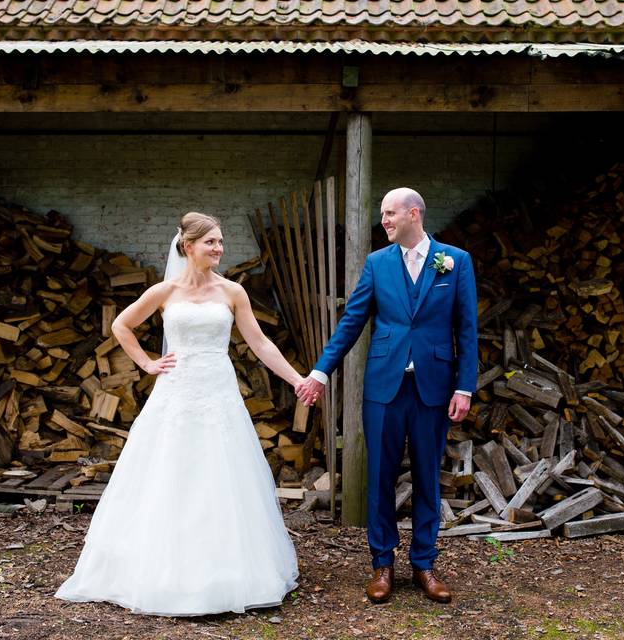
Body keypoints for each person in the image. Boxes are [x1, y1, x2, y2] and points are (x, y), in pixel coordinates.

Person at [56, 212, 301, 616]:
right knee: (169, 471)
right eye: (211, 243)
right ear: (187, 246)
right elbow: (122, 325)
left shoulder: (232, 292)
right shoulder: (164, 290)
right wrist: (148, 363)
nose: (219, 249)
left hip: (218, 392)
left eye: (221, 242)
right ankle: (160, 571)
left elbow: (260, 343)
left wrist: (296, 379)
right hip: (177, 390)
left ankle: (227, 572)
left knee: (222, 475)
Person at [297, 188, 478, 604]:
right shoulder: (378, 264)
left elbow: (466, 329)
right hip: (383, 387)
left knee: (428, 476)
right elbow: (351, 321)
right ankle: (382, 564)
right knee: (379, 475)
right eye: (382, 214)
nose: (384, 221)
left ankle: (425, 565)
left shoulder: (456, 261)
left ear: (414, 214)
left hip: (433, 386)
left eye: (390, 213)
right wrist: (321, 371)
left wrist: (464, 386)